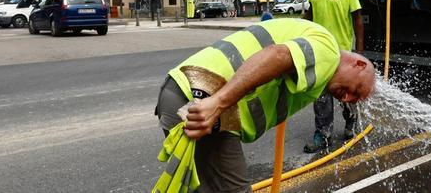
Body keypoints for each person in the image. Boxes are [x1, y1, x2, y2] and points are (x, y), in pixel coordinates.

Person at [155, 18, 375, 193]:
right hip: (201, 99)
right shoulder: (329, 52)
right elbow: (277, 55)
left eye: (353, 99)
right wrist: (217, 102)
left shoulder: (318, 64)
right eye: (354, 90)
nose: (346, 98)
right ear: (358, 64)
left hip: (185, 93)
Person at [303, 0, 365, 153]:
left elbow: (357, 19)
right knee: (321, 96)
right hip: (319, 52)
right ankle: (323, 134)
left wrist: (360, 52)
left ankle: (350, 122)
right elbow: (309, 15)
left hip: (343, 52)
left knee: (346, 94)